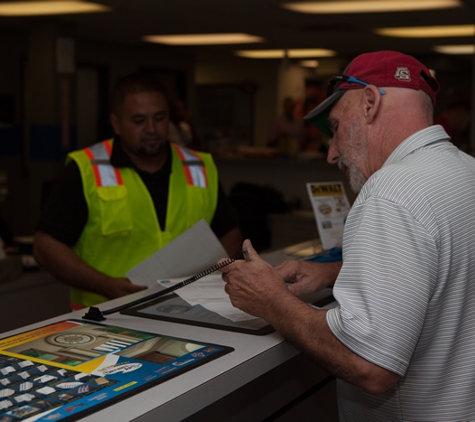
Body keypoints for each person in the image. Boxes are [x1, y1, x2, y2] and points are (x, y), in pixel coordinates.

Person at [220, 51, 475, 420]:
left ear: (369, 103)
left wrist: (268, 298)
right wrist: (336, 271)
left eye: (336, 127)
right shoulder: (466, 170)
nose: (332, 152)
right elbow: (451, 267)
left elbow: (368, 363)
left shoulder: (390, 191)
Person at [34, 72, 242, 310]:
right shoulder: (86, 169)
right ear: (116, 124)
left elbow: (229, 232)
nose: (152, 129)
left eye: (160, 118)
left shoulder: (197, 166)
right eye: (139, 120)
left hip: (188, 310)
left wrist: (215, 278)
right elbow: (46, 247)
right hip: (104, 315)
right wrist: (105, 284)